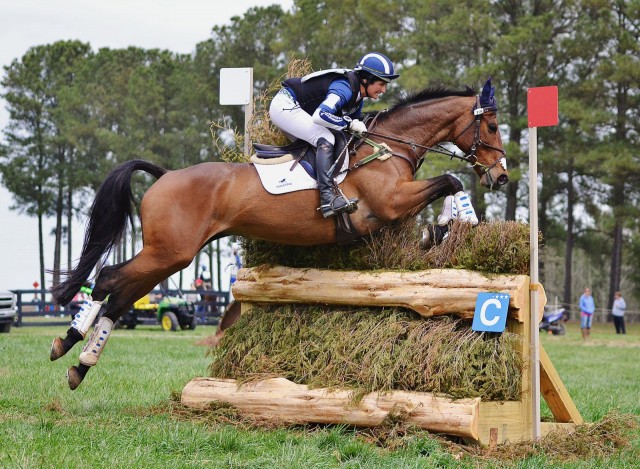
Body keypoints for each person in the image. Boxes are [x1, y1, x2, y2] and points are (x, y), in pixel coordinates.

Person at [269, 52, 400, 218]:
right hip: (285, 107)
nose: (384, 89)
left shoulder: (358, 97)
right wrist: (349, 124)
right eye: (381, 83)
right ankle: (327, 199)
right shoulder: (344, 87)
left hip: (296, 109)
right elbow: (321, 115)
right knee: (326, 139)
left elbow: (351, 125)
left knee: (338, 139)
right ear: (366, 79)